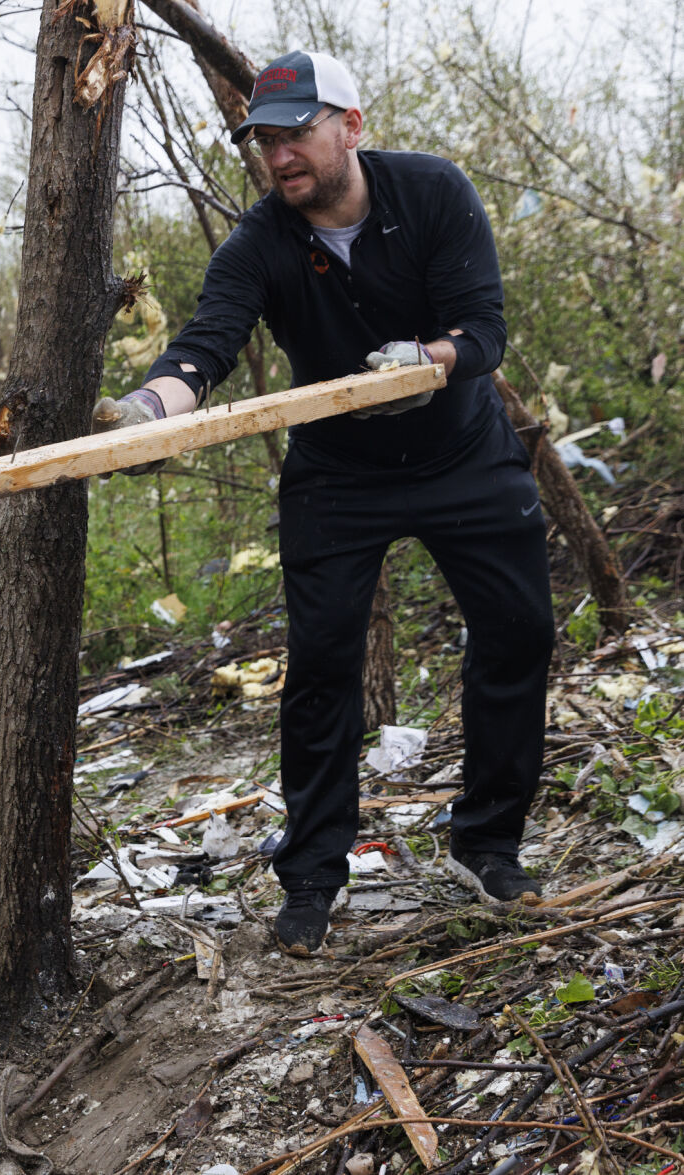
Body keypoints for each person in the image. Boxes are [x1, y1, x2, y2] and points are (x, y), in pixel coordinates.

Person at [95, 51, 554, 955]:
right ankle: (311, 877)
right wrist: (142, 413)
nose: (278, 155)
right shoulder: (260, 239)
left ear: (350, 124)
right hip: (338, 477)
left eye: (295, 132)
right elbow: (204, 345)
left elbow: (486, 327)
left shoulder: (432, 194)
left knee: (517, 634)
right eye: (263, 139)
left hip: (462, 453)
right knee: (319, 671)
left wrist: (431, 360)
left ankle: (488, 843)